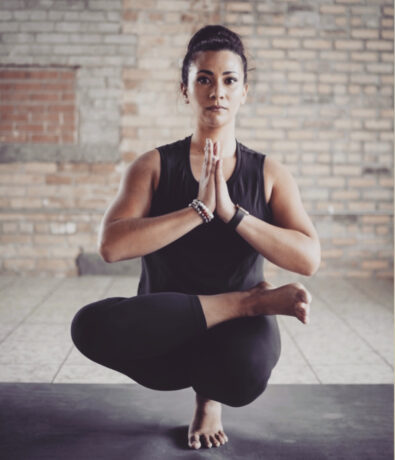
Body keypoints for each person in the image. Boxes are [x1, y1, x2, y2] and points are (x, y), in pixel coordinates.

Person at [70, 24, 321, 450]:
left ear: (245, 91)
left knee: (242, 378)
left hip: (233, 341)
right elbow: (111, 246)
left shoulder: (268, 174)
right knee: (87, 327)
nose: (216, 91)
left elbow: (308, 259)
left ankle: (211, 398)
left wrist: (232, 213)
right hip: (163, 328)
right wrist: (198, 210)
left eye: (229, 80)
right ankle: (251, 301)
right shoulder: (151, 166)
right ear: (185, 89)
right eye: (203, 78)